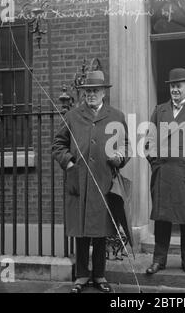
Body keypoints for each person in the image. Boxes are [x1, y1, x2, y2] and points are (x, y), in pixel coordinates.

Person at [52, 69, 130, 293]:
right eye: (87, 91)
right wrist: (69, 164)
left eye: (95, 90)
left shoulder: (116, 116)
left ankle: (99, 275)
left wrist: (120, 157)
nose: (91, 95)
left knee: (101, 231)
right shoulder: (73, 116)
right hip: (80, 180)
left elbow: (126, 145)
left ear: (104, 92)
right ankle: (82, 276)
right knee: (81, 230)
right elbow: (58, 145)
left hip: (104, 181)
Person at [145, 68, 185, 275]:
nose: (175, 89)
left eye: (179, 86)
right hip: (163, 172)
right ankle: (158, 260)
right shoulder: (159, 110)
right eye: (172, 86)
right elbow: (149, 141)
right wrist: (155, 162)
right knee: (162, 218)